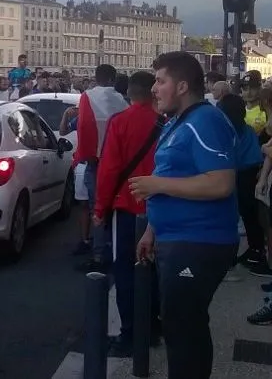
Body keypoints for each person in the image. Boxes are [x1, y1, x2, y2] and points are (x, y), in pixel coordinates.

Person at [130, 51, 238, 379]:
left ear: (181, 86)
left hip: (199, 241)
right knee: (180, 324)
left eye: (160, 81)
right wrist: (152, 230)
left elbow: (221, 183)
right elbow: (176, 172)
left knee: (183, 328)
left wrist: (156, 184)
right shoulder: (179, 121)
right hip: (177, 238)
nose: (154, 88)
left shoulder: (205, 120)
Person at [93, 71, 164, 357]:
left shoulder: (120, 122)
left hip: (126, 207)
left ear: (130, 94)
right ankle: (153, 326)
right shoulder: (166, 123)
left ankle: (131, 334)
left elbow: (109, 170)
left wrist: (100, 209)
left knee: (124, 271)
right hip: (159, 208)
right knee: (154, 270)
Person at [74, 64, 129, 270]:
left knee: (96, 207)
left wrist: (84, 154)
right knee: (113, 208)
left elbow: (84, 127)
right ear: (113, 79)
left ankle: (97, 255)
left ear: (96, 78)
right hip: (118, 162)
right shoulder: (121, 101)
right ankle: (113, 249)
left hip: (95, 161)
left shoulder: (87, 96)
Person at [216, 94, 268, 275]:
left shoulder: (226, 131)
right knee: (250, 216)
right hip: (250, 173)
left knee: (233, 216)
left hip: (236, 175)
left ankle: (237, 255)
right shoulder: (247, 129)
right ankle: (255, 249)